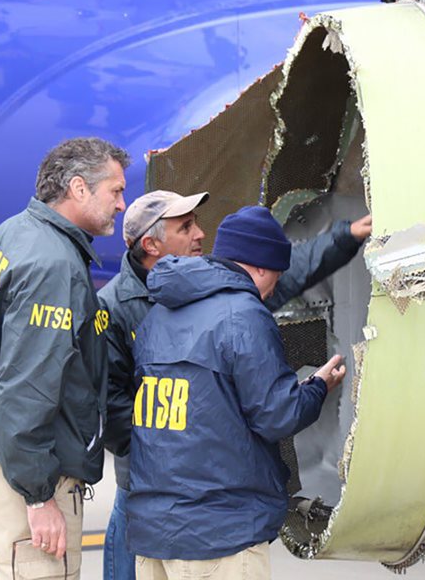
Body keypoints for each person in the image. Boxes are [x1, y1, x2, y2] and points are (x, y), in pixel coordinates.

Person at [127, 206, 365, 579]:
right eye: (277, 274)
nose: (275, 287)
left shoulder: (159, 313)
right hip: (218, 534)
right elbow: (277, 416)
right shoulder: (244, 314)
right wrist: (317, 387)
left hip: (154, 533)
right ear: (259, 268)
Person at [0, 137, 130, 580]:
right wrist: (38, 497)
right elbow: (26, 389)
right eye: (116, 191)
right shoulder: (53, 265)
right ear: (79, 188)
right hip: (27, 478)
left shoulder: (12, 233)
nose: (122, 205)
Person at [99, 190, 210, 580]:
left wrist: (342, 238)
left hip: (194, 481)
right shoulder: (112, 307)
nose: (200, 234)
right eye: (186, 227)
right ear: (152, 245)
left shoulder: (203, 286)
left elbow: (273, 279)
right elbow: (110, 407)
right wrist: (167, 446)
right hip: (145, 485)